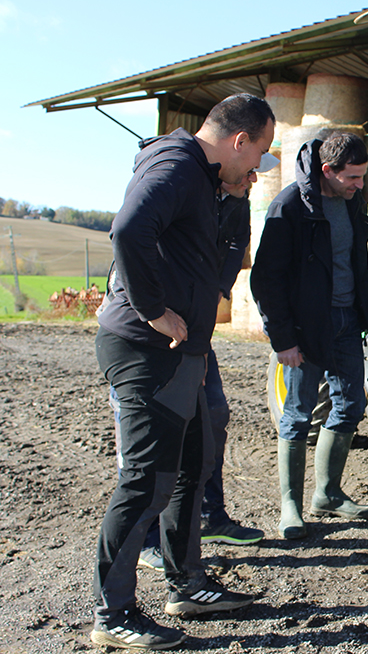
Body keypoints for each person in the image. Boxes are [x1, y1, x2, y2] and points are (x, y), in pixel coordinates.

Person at [92, 93, 275, 650]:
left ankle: (186, 584)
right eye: (260, 152)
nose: (257, 167)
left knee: (192, 467)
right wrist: (153, 309)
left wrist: (193, 342)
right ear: (238, 140)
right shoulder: (175, 165)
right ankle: (114, 613)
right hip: (145, 347)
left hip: (181, 352)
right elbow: (128, 230)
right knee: (146, 481)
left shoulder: (202, 176)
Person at [118, 157, 279, 573]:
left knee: (210, 417)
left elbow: (227, 261)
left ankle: (210, 515)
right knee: (151, 446)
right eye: (252, 164)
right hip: (152, 334)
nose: (255, 176)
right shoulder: (182, 187)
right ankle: (148, 540)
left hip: (195, 332)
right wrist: (155, 311)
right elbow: (136, 241)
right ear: (234, 150)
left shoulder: (234, 202)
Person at [251, 131, 368, 541]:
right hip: (305, 329)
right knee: (298, 413)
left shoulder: (350, 201)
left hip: (346, 320)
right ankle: (290, 505)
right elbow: (265, 281)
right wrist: (283, 339)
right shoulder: (290, 206)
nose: (361, 185)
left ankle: (327, 494)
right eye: (354, 177)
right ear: (328, 170)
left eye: (363, 176)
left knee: (351, 404)